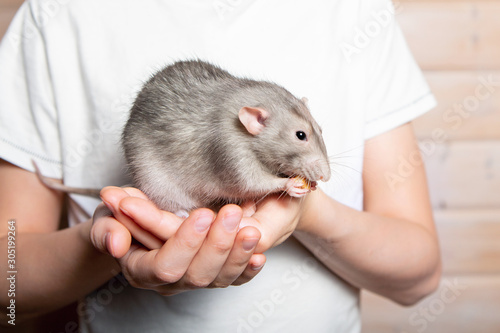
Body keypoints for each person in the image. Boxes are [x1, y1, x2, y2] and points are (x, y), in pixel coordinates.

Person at [0, 0, 441, 332]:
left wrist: (308, 214)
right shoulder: (54, 13)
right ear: (252, 121)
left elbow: (420, 279)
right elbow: (8, 292)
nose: (318, 166)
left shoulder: (353, 10)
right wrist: (110, 248)